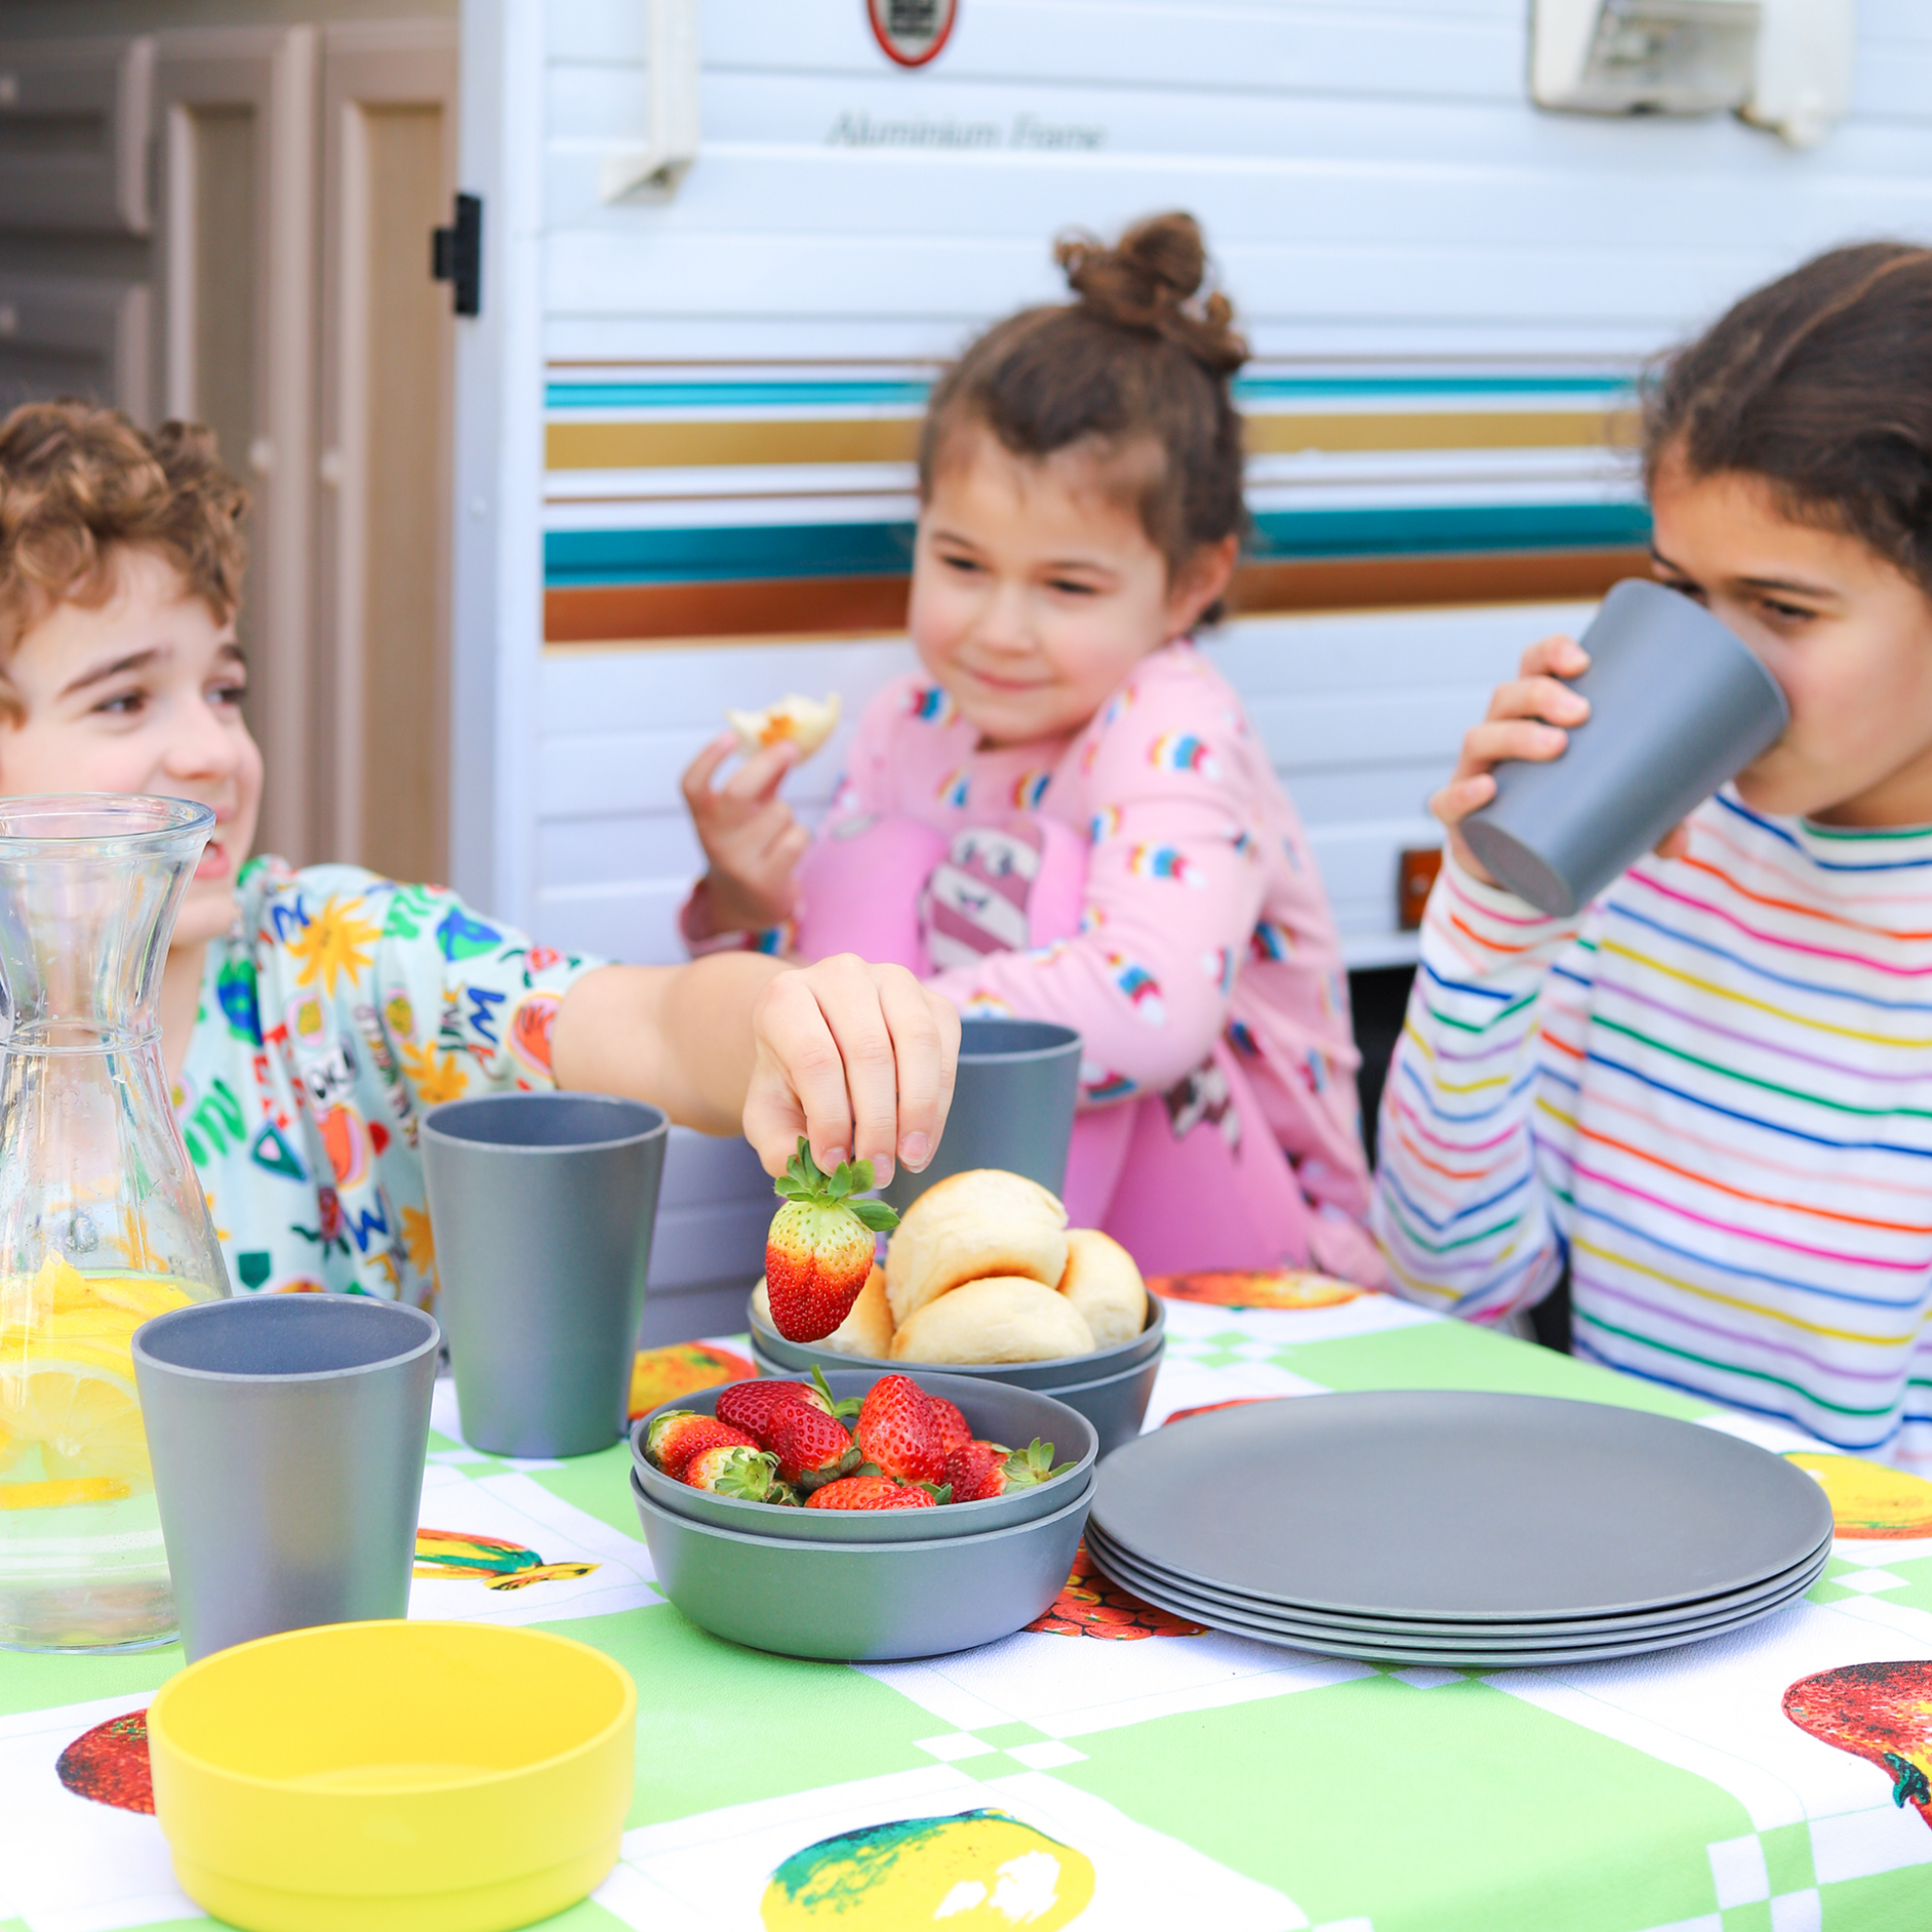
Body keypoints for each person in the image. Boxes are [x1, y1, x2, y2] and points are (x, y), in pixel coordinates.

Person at [0, 400, 958, 1302]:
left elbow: (653, 1025)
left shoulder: (333, 955)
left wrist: (779, 1015)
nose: (214, 752)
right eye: (124, 699)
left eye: (225, 690)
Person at [680, 212, 1380, 1283]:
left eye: (1065, 586)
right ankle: (881, 1301)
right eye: (961, 562)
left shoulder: (1173, 715)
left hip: (1242, 1251)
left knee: (1027, 880)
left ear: (1189, 584)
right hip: (1001, 1193)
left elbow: (1151, 1006)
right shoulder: (906, 720)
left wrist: (887, 1034)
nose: (999, 628)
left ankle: (956, 1315)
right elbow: (813, 992)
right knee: (867, 866)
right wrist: (745, 898)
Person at [1375, 242, 1932, 1466]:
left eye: (1780, 609)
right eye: (1678, 589)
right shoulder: (1664, 853)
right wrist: (1490, 920)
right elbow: (1452, 1277)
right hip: (1631, 1543)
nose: (1715, 656)